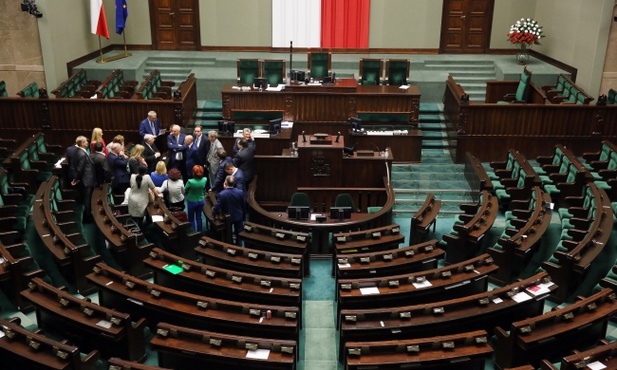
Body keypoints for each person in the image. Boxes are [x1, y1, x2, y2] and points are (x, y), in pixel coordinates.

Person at [211, 175, 245, 246]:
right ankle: (239, 247)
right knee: (239, 233)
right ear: (234, 183)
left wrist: (213, 215)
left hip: (228, 217)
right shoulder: (240, 192)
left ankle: (231, 246)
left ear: (225, 183)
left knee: (228, 234)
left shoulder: (222, 194)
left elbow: (217, 206)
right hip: (238, 215)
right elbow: (243, 204)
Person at [71, 135, 95, 223]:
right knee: (87, 199)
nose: (87, 143)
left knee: (86, 198)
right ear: (81, 143)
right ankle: (88, 218)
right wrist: (76, 179)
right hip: (87, 180)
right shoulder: (81, 154)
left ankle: (87, 215)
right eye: (85, 142)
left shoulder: (77, 151)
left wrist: (76, 179)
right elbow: (80, 169)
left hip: (85, 179)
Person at [184, 165, 207, 233]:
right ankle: (200, 231)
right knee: (199, 217)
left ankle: (193, 233)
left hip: (192, 201)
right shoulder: (205, 179)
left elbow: (185, 189)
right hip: (201, 200)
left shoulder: (190, 181)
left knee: (191, 218)